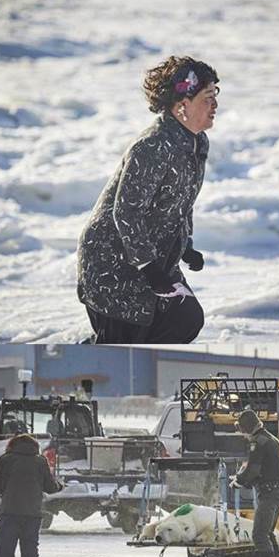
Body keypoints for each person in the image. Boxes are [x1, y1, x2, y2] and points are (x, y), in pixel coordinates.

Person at [77, 55, 219, 344]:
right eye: (207, 96)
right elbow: (126, 212)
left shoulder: (195, 142)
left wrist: (186, 246)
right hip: (112, 264)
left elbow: (180, 201)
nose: (215, 104)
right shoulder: (153, 146)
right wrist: (148, 268)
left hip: (153, 260)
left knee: (187, 318)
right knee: (123, 344)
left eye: (216, 94)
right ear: (183, 105)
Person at [0, 434, 62, 557]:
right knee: (30, 547)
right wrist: (60, 486)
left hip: (9, 513)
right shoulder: (40, 461)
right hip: (32, 514)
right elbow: (50, 487)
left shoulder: (5, 460)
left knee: (5, 546)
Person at [231, 410, 279, 557]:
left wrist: (238, 481)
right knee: (268, 532)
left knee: (259, 534)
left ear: (247, 428)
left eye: (242, 430)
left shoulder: (258, 443)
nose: (242, 434)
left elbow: (254, 470)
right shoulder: (271, 439)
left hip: (270, 492)